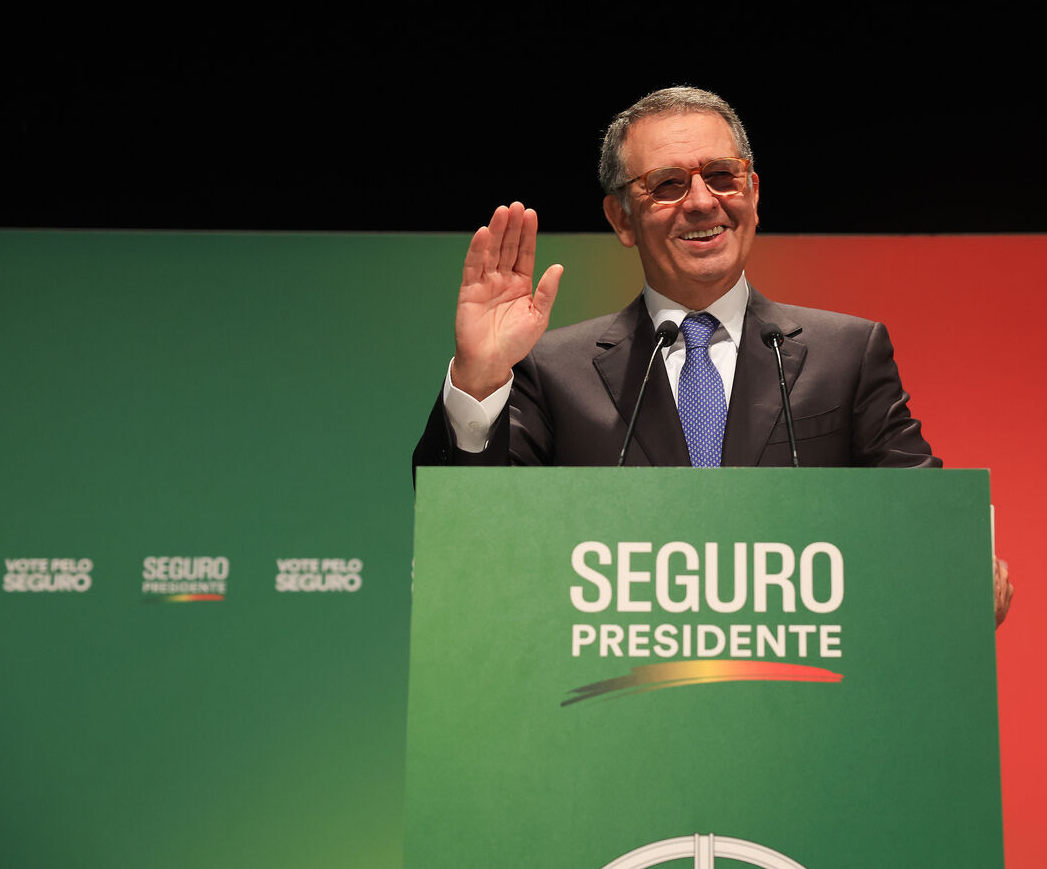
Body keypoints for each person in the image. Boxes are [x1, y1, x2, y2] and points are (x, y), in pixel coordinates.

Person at [413, 87, 1012, 624]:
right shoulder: (554, 370)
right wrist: (480, 377)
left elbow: (922, 521)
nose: (702, 202)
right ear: (622, 218)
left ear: (753, 193)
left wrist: (958, 569)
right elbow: (471, 542)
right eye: (667, 185)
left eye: (723, 176)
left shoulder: (847, 355)